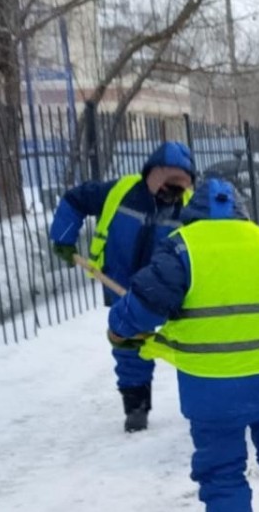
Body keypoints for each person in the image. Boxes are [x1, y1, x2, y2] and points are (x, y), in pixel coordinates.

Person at [107, 178, 259, 512]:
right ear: (239, 210)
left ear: (194, 210)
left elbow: (145, 307)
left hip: (212, 385)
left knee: (222, 469)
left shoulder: (183, 247)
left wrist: (119, 328)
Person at [49, 141, 196, 432]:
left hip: (171, 289)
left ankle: (206, 401)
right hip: (122, 282)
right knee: (128, 340)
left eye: (183, 184)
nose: (175, 191)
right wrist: (63, 238)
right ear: (153, 174)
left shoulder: (191, 208)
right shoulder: (120, 193)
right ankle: (136, 404)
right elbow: (75, 200)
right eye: (170, 182)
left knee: (193, 342)